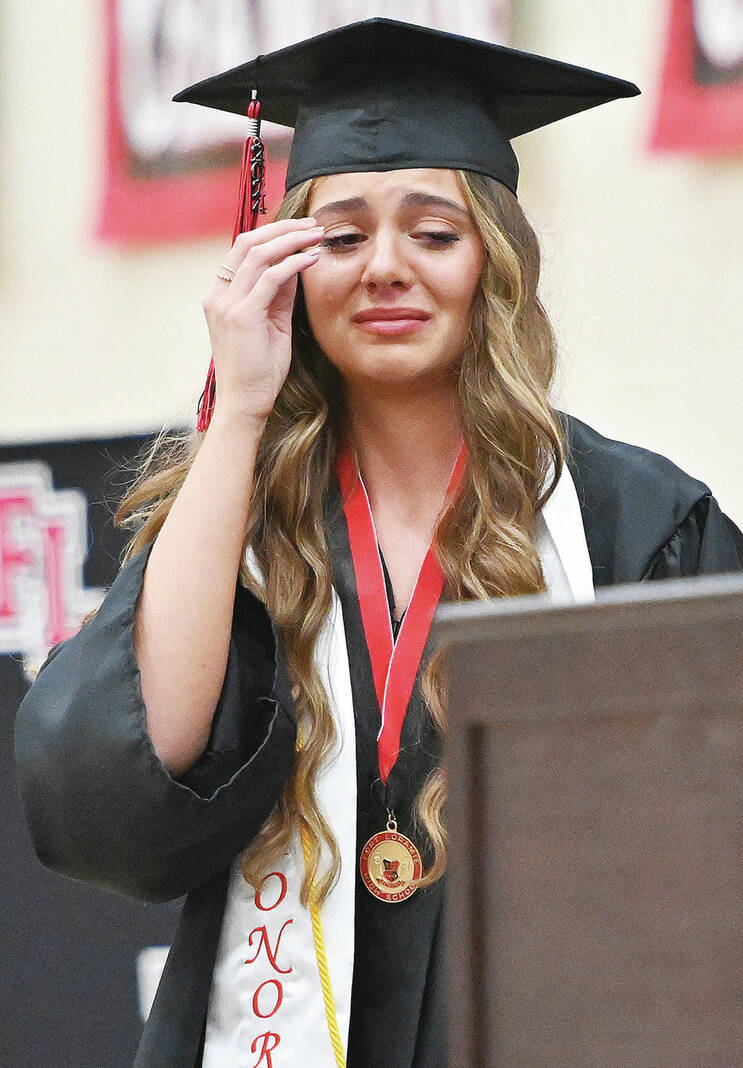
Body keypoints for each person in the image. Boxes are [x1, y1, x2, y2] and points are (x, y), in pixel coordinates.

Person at [15, 18, 743, 1068]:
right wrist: (240, 411)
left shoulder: (631, 522)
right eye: (341, 238)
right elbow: (120, 786)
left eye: (433, 234)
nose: (385, 269)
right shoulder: (242, 519)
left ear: (492, 260)